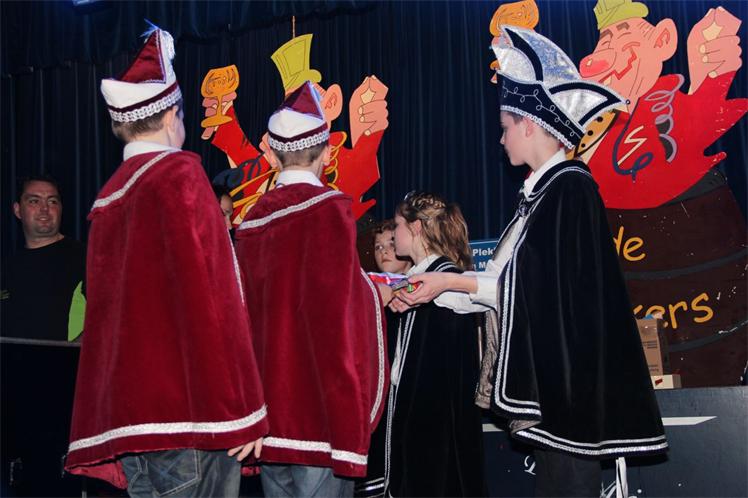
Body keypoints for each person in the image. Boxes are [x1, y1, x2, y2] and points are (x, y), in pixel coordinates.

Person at [396, 26, 667, 497]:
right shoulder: (542, 197)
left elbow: (537, 292)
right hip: (555, 389)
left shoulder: (569, 189)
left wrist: (449, 284)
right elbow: (506, 286)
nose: (501, 140)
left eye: (505, 128)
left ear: (530, 125)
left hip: (568, 391)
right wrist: (439, 288)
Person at [64, 26, 268, 496]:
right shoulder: (180, 175)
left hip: (130, 421)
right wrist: (246, 409)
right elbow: (218, 298)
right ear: (172, 114)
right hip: (189, 414)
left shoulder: (109, 197)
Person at [234, 81, 388, 497]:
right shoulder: (329, 210)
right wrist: (376, 294)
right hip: (318, 410)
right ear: (326, 152)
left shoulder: (251, 221)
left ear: (272, 155)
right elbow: (339, 314)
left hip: (270, 416)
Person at [381, 192, 486, 497]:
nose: (393, 234)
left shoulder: (446, 280)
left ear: (416, 228)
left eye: (398, 226)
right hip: (416, 419)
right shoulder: (418, 278)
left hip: (437, 429)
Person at [355, 221, 411, 497]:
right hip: (376, 390)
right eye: (378, 247)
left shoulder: (421, 287)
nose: (384, 251)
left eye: (390, 244)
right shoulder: (367, 288)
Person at [2, 174, 85, 340]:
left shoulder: (86, 257)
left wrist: (73, 350)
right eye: (34, 201)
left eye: (52, 201)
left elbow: (114, 313)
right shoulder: (7, 266)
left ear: (61, 209)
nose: (44, 209)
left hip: (67, 357)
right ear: (17, 210)